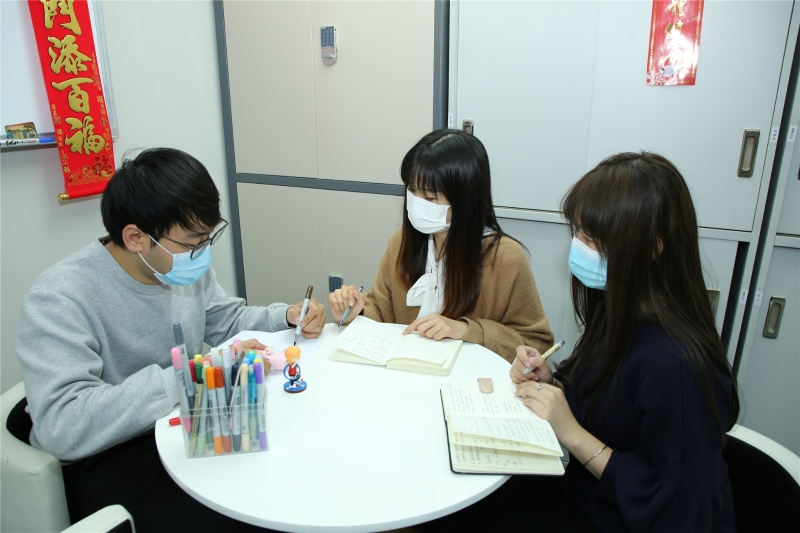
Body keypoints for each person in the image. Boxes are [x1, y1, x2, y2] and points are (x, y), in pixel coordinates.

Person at [16, 148, 326, 531]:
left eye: (208, 238)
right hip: (109, 453)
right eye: (193, 243)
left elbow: (224, 320)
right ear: (135, 238)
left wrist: (285, 316)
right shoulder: (59, 298)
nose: (203, 254)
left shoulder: (177, 267)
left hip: (182, 421)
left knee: (279, 483)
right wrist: (190, 377)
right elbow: (62, 426)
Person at [508, 152, 739, 532]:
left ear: (651, 250)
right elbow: (611, 408)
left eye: (593, 238)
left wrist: (572, 433)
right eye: (579, 232)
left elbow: (679, 512)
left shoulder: (677, 367)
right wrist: (551, 383)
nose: (579, 246)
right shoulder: (620, 310)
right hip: (588, 496)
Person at [328, 129, 553, 362]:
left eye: (430, 197)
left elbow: (537, 344)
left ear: (465, 199)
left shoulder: (505, 258)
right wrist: (357, 313)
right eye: (411, 190)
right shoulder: (401, 243)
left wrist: (467, 330)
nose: (417, 203)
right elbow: (381, 310)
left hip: (467, 379)